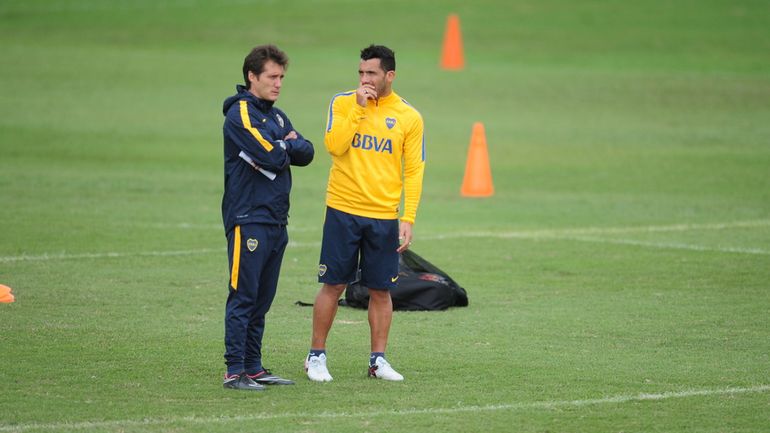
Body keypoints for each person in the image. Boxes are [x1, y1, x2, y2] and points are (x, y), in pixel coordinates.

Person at [306, 44, 425, 382]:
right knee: (333, 285)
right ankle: (316, 357)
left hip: (384, 216)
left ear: (390, 75)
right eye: (360, 72)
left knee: (381, 290)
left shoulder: (409, 116)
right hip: (343, 209)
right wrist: (358, 109)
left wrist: (408, 217)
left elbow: (414, 169)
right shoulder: (343, 102)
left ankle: (378, 361)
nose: (364, 79)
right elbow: (334, 145)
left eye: (371, 73)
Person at [221, 44, 314, 390]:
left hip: (276, 220)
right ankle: (234, 370)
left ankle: (254, 366)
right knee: (243, 295)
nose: (278, 84)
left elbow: (307, 151)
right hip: (249, 218)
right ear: (252, 76)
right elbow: (274, 156)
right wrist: (285, 145)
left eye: (281, 78)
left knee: (262, 298)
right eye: (272, 77)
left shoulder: (276, 116)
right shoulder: (240, 115)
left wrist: (284, 144)